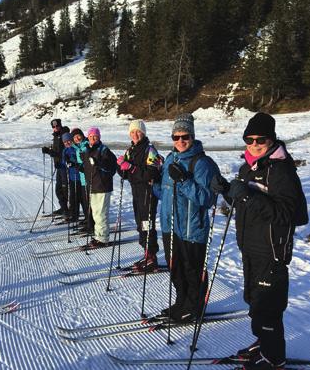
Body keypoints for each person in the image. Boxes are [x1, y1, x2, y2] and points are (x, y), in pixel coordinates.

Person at [211, 112, 308, 370]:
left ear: (272, 139)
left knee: (268, 307)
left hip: (271, 250)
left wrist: (249, 197)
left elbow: (290, 214)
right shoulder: (249, 167)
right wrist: (225, 191)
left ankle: (274, 358)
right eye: (249, 139)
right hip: (250, 246)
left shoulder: (281, 170)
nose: (254, 144)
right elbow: (242, 205)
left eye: (260, 139)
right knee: (254, 302)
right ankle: (263, 342)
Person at [153, 114, 218, 322]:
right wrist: (150, 182)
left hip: (192, 228)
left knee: (192, 270)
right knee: (176, 269)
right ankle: (182, 302)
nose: (180, 141)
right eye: (176, 137)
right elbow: (164, 192)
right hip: (169, 226)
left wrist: (183, 180)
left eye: (185, 136)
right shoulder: (170, 159)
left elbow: (207, 199)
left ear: (192, 136)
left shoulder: (202, 164)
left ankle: (194, 306)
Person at [117, 120, 162, 272]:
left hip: (148, 193)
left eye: (138, 132)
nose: (135, 134)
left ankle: (152, 256)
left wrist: (130, 167)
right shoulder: (130, 150)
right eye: (132, 132)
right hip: (136, 192)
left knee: (147, 224)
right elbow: (125, 174)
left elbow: (152, 173)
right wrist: (121, 167)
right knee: (140, 225)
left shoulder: (150, 150)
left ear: (143, 133)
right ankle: (147, 254)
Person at [81, 127, 117, 247]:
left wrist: (99, 163)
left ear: (99, 137)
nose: (92, 138)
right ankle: (98, 235)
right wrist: (78, 167)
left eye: (95, 136)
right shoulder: (87, 150)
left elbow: (112, 167)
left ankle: (103, 238)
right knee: (95, 213)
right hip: (92, 185)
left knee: (101, 213)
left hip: (102, 186)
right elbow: (88, 168)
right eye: (90, 136)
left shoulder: (104, 150)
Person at [41, 119, 68, 216]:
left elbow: (62, 153)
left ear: (60, 125)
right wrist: (50, 150)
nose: (55, 128)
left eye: (57, 126)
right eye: (53, 126)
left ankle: (67, 209)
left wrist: (49, 151)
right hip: (59, 166)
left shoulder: (64, 135)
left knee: (64, 189)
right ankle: (63, 207)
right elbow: (57, 152)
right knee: (58, 189)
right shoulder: (56, 136)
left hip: (65, 166)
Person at [71, 128, 92, 231]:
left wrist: (82, 166)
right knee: (85, 201)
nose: (77, 138)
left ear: (82, 135)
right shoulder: (77, 147)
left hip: (89, 178)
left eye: (78, 135)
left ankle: (91, 224)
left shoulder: (86, 145)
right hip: (83, 178)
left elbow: (89, 160)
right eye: (74, 137)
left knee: (89, 201)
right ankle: (88, 219)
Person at [62, 132, 81, 222]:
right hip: (71, 177)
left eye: (68, 141)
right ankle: (74, 215)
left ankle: (80, 215)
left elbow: (79, 160)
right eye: (65, 142)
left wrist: (73, 162)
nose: (67, 143)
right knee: (72, 197)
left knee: (79, 197)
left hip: (79, 177)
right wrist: (62, 163)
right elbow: (63, 162)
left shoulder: (75, 149)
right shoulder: (65, 151)